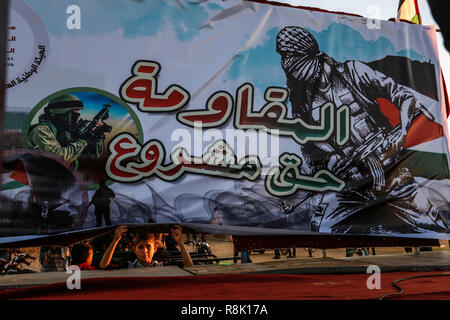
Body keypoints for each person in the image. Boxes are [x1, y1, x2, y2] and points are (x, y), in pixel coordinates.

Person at [276, 26, 449, 235]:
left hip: (388, 172)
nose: (292, 69)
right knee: (323, 227)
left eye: (297, 63)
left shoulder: (353, 72)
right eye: (288, 64)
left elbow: (403, 97)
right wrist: (323, 168)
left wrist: (402, 132)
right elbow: (308, 147)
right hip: (348, 186)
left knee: (433, 224)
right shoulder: (300, 102)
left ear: (312, 55)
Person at [27, 94, 105, 166]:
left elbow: (92, 156)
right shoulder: (41, 130)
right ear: (62, 112)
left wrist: (98, 137)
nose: (77, 115)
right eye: (74, 111)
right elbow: (58, 158)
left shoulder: (66, 131)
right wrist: (83, 142)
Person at [99, 225, 193, 269]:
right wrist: (115, 241)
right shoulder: (128, 265)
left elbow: (189, 266)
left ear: (155, 248)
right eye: (140, 247)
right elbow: (103, 265)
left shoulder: (162, 266)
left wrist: (180, 242)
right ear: (134, 249)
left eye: (148, 246)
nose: (145, 250)